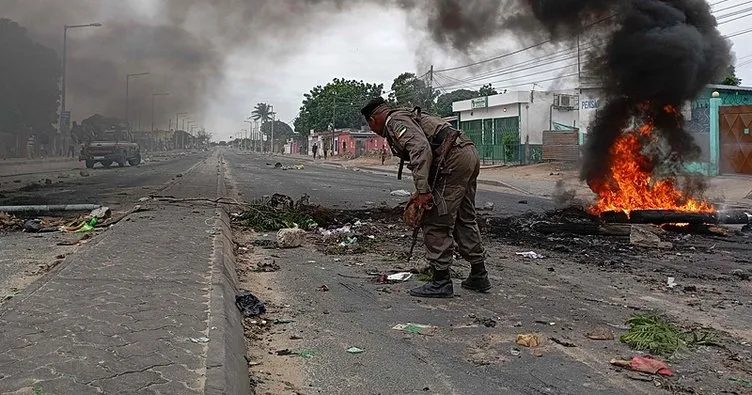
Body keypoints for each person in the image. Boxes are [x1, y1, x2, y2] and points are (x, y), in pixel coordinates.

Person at [360, 97, 491, 298]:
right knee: (464, 217)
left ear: (373, 120)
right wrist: (423, 188)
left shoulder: (394, 122)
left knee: (435, 219)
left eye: (370, 126)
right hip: (467, 152)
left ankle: (441, 282)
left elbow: (420, 149)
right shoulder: (407, 115)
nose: (372, 130)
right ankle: (479, 275)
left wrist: (423, 192)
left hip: (453, 158)